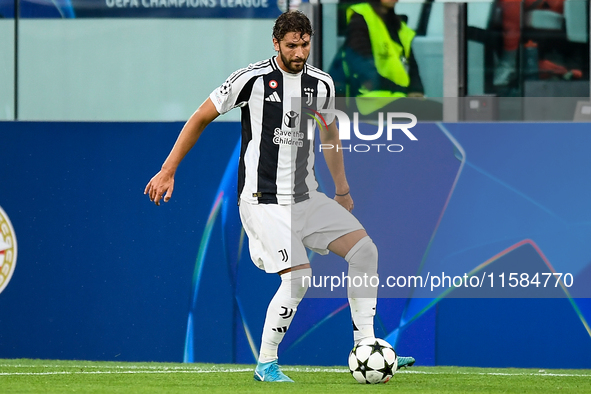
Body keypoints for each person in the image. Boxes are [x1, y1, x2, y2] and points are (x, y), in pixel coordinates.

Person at [144, 11, 415, 382]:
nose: (299, 52)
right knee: (298, 279)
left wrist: (343, 190)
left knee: (365, 251)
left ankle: (365, 346)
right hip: (263, 201)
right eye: (291, 45)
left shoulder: (321, 84)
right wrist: (168, 168)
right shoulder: (251, 79)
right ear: (276, 43)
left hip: (307, 198)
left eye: (305, 44)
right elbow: (200, 117)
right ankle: (266, 364)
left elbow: (330, 137)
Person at [331, 0, 441, 120]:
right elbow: (363, 68)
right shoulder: (361, 17)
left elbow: (412, 65)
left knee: (440, 110)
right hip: (370, 99)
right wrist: (403, 90)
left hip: (396, 96)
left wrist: (416, 90)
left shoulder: (400, 27)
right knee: (435, 111)